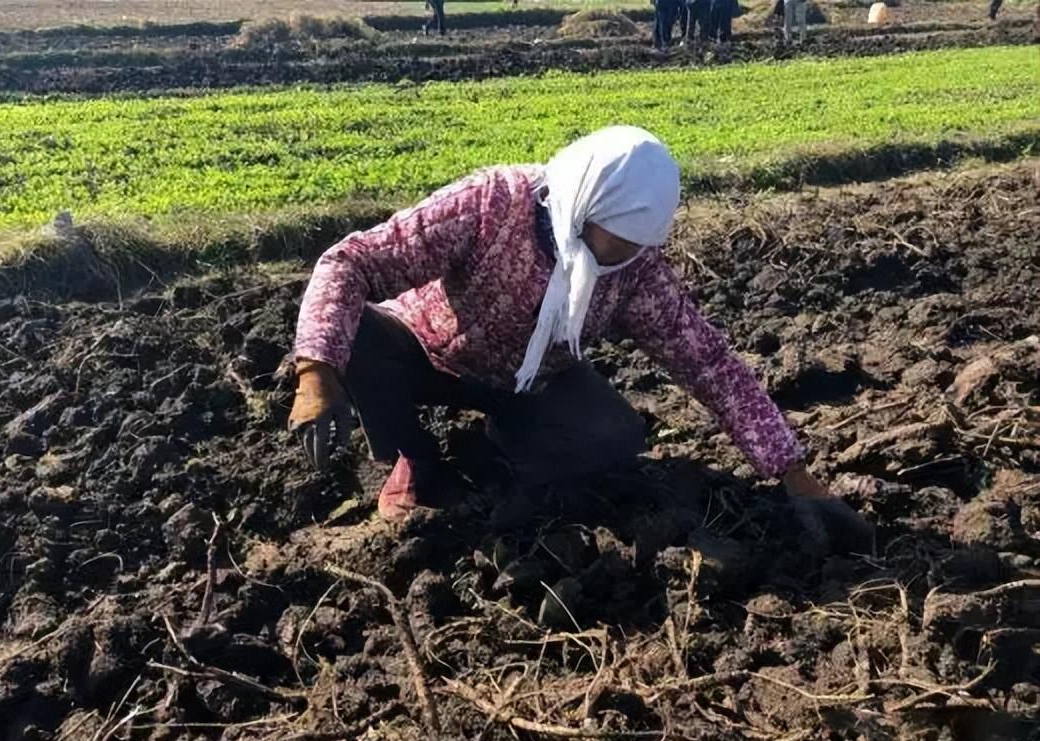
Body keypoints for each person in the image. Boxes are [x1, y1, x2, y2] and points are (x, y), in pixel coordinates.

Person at [288, 126, 870, 549]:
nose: (624, 256)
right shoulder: (494, 204)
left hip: (530, 381)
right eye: (615, 238)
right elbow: (349, 263)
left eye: (641, 243)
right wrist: (317, 374)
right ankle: (413, 457)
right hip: (423, 348)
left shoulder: (636, 270)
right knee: (355, 334)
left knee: (614, 436)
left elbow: (710, 364)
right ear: (585, 200)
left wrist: (793, 471)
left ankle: (491, 456)